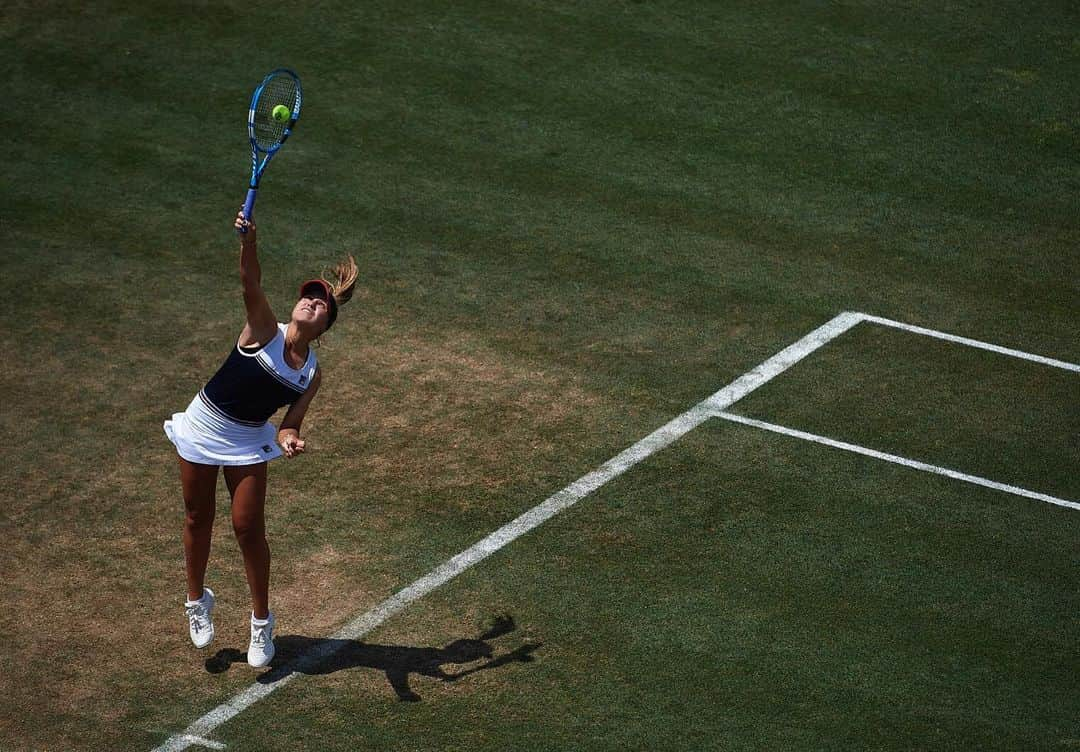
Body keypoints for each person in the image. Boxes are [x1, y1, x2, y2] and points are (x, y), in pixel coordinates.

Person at [164, 210, 357, 667]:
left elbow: (290, 423)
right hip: (203, 425)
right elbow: (250, 283)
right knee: (197, 517)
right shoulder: (264, 329)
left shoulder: (311, 374)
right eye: (308, 297)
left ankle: (261, 623)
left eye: (321, 304)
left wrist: (289, 439)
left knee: (248, 528)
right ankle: (197, 602)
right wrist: (249, 243)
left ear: (325, 327)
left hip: (248, 440)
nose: (311, 303)